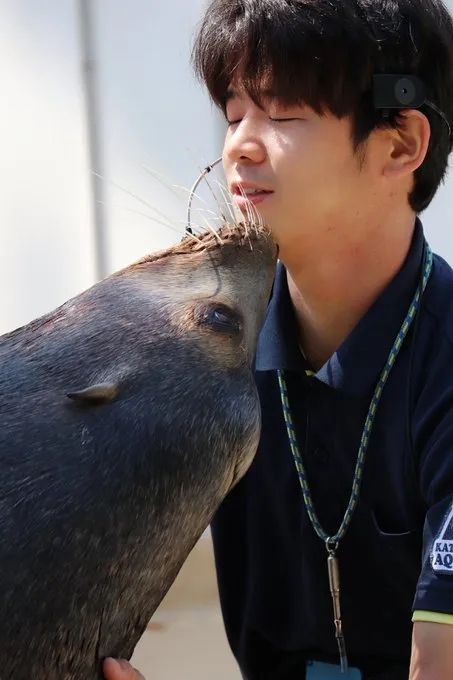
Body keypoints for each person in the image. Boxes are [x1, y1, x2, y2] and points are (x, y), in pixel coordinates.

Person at [105, 0, 453, 678]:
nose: (238, 144)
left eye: (283, 112)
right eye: (234, 113)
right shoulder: (201, 352)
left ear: (400, 143)